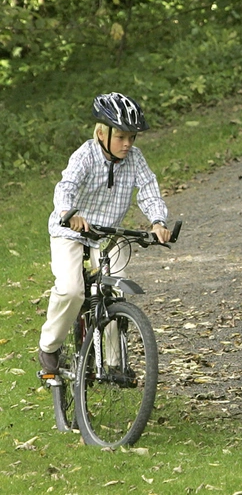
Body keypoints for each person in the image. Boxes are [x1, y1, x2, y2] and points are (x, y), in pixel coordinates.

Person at [39, 92, 172, 374]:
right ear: (102, 132)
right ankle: (49, 347)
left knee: (114, 289)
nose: (128, 144)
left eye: (132, 137)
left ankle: (112, 362)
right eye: (121, 137)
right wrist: (69, 213)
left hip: (108, 234)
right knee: (71, 290)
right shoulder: (85, 155)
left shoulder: (135, 159)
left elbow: (148, 189)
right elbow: (66, 187)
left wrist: (158, 222)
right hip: (70, 231)